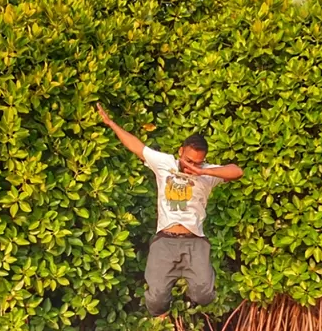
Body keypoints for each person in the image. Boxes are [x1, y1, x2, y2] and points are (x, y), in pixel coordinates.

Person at [96, 103, 243, 316]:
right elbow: (136, 146)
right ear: (180, 151)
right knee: (156, 301)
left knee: (204, 295)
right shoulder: (165, 163)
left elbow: (237, 171)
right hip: (165, 240)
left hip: (195, 241)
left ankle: (191, 297)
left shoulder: (208, 172)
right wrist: (111, 123)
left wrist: (201, 173)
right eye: (188, 160)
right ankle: (166, 307)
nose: (191, 166)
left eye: (198, 163)